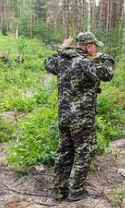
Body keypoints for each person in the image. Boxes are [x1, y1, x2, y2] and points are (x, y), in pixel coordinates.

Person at [44, 31, 115, 202]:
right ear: (89, 46)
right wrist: (103, 57)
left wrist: (62, 49)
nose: (95, 48)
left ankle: (58, 191)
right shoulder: (85, 63)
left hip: (64, 118)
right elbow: (108, 73)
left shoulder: (61, 60)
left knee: (64, 153)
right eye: (94, 46)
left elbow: (47, 63)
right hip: (82, 119)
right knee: (85, 152)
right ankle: (76, 191)